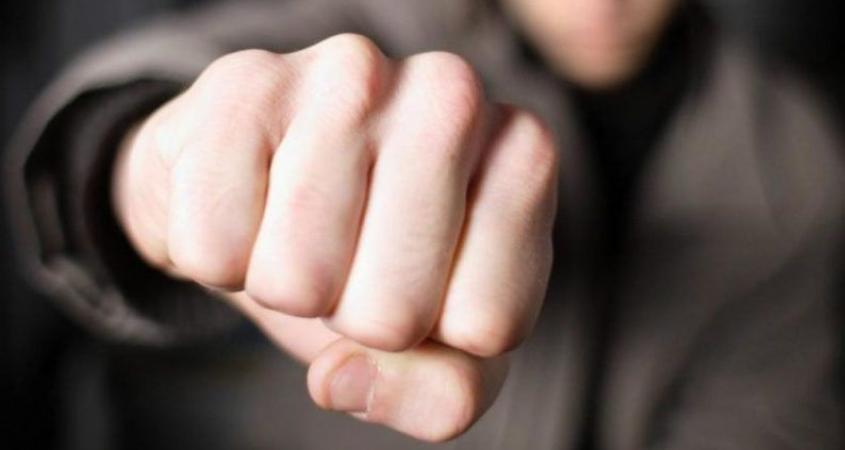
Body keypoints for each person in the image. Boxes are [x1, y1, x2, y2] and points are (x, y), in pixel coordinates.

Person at [4, 0, 842, 448]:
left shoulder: (798, 160)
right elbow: (194, 75)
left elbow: (760, 421)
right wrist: (147, 171)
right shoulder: (374, 24)